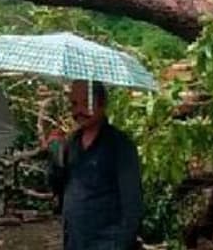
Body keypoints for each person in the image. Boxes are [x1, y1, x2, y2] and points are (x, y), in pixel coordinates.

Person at [46, 80, 144, 250]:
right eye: (74, 104)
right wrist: (55, 153)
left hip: (108, 243)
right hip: (75, 241)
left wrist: (121, 243)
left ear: (102, 104)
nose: (78, 111)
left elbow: (133, 204)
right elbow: (58, 187)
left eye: (86, 103)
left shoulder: (120, 145)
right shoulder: (72, 143)